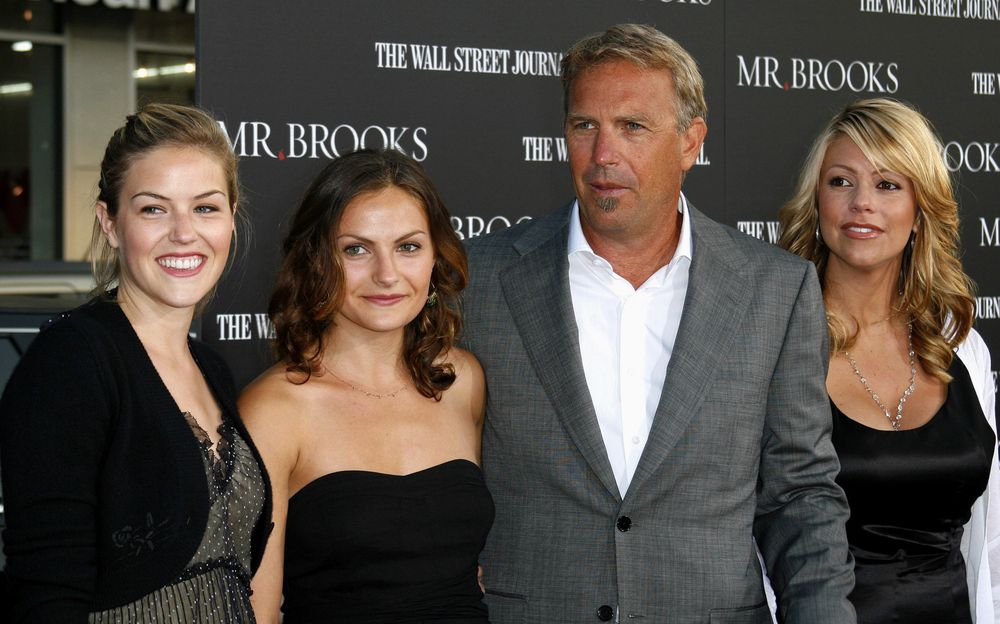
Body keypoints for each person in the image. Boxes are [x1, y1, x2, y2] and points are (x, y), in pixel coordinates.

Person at [461, 23, 855, 623]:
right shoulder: (478, 282)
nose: (603, 155)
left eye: (633, 127)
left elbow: (798, 496)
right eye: (584, 125)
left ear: (691, 141)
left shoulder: (775, 289)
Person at [0, 103, 272, 623]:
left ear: (231, 219)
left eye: (206, 208)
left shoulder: (211, 368)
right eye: (153, 209)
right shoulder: (72, 361)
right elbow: (45, 590)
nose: (184, 232)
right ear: (110, 222)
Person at [240, 149, 491, 624]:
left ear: (436, 257)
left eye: (408, 247)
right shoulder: (273, 410)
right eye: (356, 249)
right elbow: (257, 610)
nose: (387, 274)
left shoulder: (462, 381)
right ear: (318, 260)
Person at [778, 97, 1000, 624]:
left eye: (887, 184)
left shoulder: (961, 347)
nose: (862, 204)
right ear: (816, 203)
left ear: (920, 209)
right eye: (840, 181)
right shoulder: (778, 348)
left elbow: (988, 539)